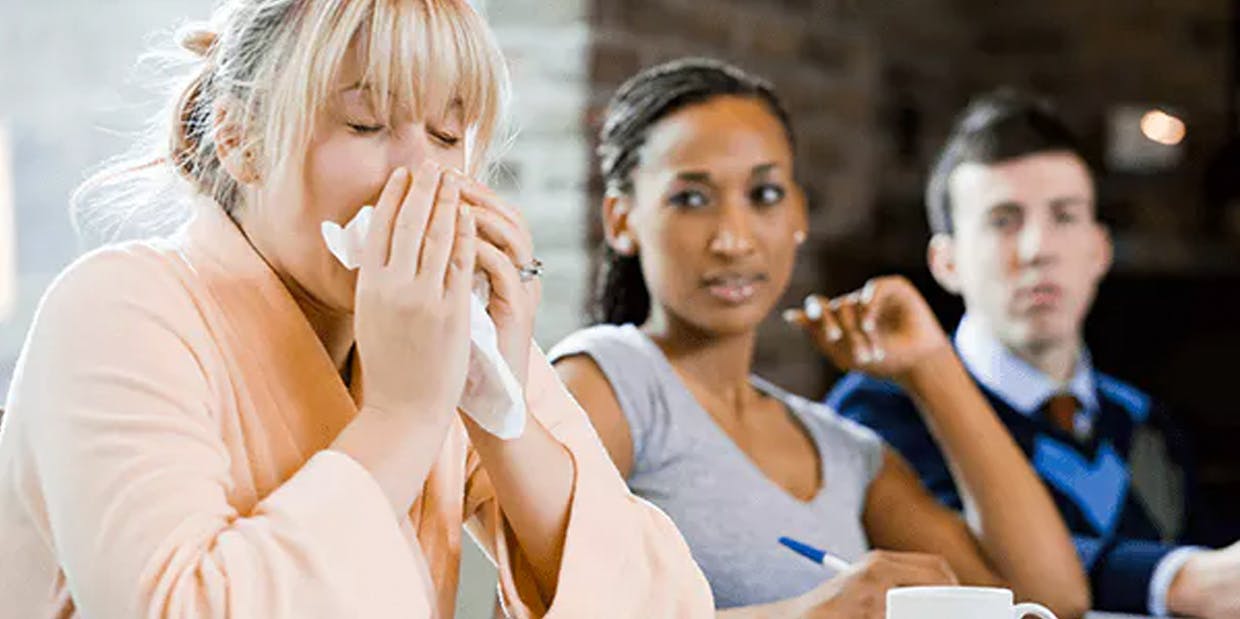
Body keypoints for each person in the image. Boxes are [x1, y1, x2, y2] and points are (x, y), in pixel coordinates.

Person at [0, 2, 714, 617]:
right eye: (366, 124)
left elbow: (665, 603)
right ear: (238, 139)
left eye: (445, 136)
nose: (420, 176)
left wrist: (500, 396)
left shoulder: (436, 333)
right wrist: (403, 416)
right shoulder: (115, 311)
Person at [550, 58, 1090, 619]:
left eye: (763, 195)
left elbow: (1050, 600)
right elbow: (534, 609)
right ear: (621, 221)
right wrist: (811, 615)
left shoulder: (843, 450)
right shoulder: (607, 380)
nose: (734, 240)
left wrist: (931, 366)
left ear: (798, 214)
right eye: (691, 198)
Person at [828, 90, 1240, 618]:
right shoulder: (880, 412)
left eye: (1064, 217)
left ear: (1099, 249)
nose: (1036, 250)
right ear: (946, 261)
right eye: (1003, 220)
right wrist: (1174, 577)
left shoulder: (1142, 420)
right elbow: (977, 570)